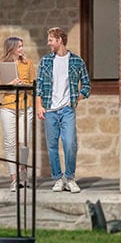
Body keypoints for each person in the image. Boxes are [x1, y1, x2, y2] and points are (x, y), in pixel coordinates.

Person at [34, 27, 90, 194]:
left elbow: (86, 85)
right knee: (52, 146)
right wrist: (39, 106)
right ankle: (58, 179)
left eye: (51, 40)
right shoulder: (45, 61)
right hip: (49, 109)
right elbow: (39, 87)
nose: (48, 43)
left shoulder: (77, 61)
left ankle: (70, 178)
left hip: (67, 110)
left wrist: (75, 99)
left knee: (70, 143)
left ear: (59, 40)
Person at [0, 34, 36, 192]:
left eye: (22, 46)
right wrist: (11, 84)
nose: (22, 49)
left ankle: (23, 172)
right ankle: (14, 179)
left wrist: (23, 84)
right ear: (11, 48)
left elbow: (34, 84)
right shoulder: (3, 65)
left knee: (24, 141)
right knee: (10, 143)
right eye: (19, 46)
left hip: (26, 106)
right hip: (8, 107)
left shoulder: (28, 64)